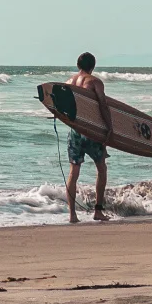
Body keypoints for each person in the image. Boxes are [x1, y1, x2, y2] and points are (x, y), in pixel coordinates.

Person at [65, 52, 114, 223]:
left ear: (78, 65)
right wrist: (109, 128)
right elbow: (103, 105)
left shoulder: (68, 82)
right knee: (101, 168)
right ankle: (98, 211)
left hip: (75, 131)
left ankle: (72, 215)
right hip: (92, 132)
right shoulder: (94, 82)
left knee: (74, 172)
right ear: (93, 66)